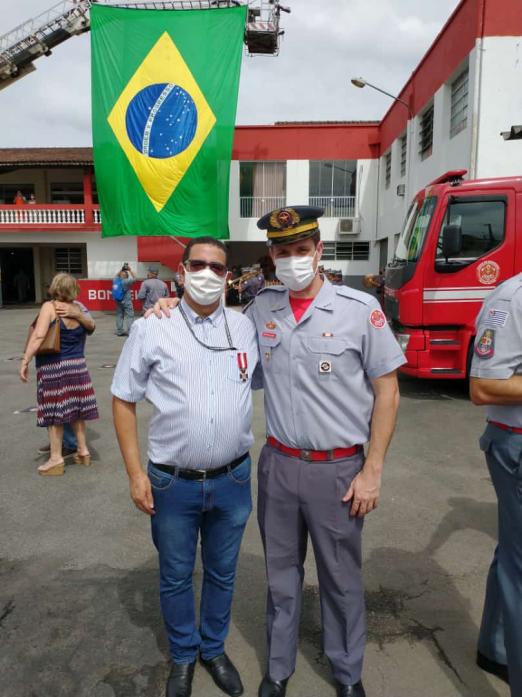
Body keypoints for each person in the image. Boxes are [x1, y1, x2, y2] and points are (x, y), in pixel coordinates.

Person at [151, 207, 406, 697]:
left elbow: (388, 390)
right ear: (271, 256)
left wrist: (372, 469)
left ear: (319, 251)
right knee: (281, 578)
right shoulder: (260, 311)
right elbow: (214, 339)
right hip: (280, 466)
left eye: (301, 251)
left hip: (339, 470)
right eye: (283, 252)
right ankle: (278, 668)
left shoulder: (359, 309)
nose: (293, 260)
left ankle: (348, 673)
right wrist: (166, 307)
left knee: (341, 579)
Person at [111, 236, 259, 697]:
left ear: (228, 277)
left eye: (219, 268)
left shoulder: (245, 327)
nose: (209, 275)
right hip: (172, 482)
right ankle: (182, 656)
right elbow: (122, 399)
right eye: (200, 265)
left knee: (222, 572)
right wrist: (136, 474)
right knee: (175, 576)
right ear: (181, 271)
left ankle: (212, 649)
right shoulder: (151, 328)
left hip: (233, 479)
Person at [469, 274, 522, 697]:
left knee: (513, 555)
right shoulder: (510, 298)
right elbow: (483, 386)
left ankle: (497, 648)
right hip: (517, 446)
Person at [19, 273, 98, 476]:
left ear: (54, 287)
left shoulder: (50, 307)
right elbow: (92, 326)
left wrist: (25, 359)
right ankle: (83, 451)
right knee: (78, 410)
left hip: (54, 367)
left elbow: (38, 335)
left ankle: (55, 459)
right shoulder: (78, 308)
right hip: (78, 366)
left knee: (55, 413)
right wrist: (78, 314)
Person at [112, 263, 135, 336]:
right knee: (130, 316)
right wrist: (130, 270)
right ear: (127, 276)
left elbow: (116, 275)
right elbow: (135, 278)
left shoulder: (115, 280)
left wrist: (122, 269)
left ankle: (119, 331)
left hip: (118, 301)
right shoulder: (126, 281)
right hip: (127, 302)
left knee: (119, 315)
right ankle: (130, 331)